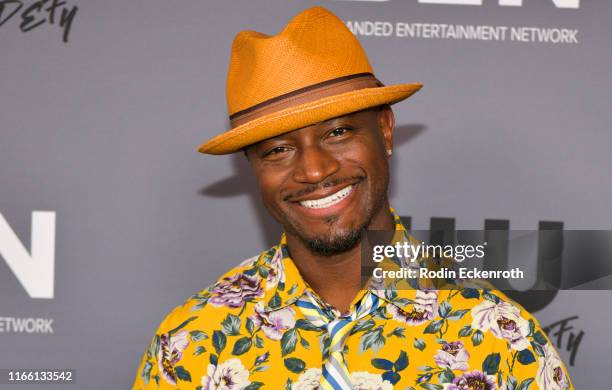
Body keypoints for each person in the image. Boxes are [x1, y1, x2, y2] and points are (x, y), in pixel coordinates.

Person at [133, 7, 573, 390]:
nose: (314, 170)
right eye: (278, 150)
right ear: (253, 168)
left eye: (338, 132)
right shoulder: (192, 342)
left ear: (384, 130)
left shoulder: (501, 338)